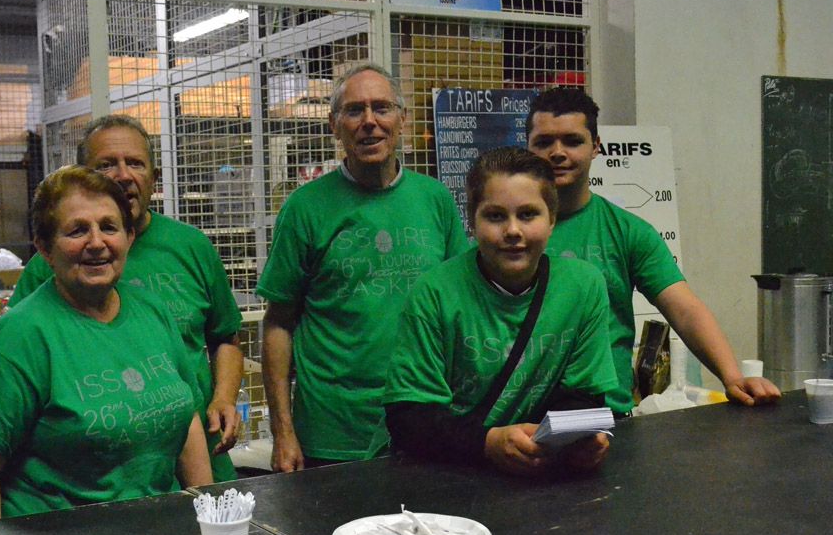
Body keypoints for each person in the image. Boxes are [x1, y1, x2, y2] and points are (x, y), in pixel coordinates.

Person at [0, 166, 212, 522]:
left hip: (154, 531)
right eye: (77, 230)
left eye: (109, 227)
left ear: (129, 238)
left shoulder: (153, 311)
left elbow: (187, 416)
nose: (97, 243)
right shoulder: (17, 339)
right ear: (45, 248)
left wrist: (208, 516)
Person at [9, 115, 245, 482]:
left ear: (154, 175)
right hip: (104, 472)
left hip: (197, 450)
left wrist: (223, 398)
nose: (123, 175)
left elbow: (225, 336)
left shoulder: (191, 247)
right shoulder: (53, 264)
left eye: (135, 163)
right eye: (106, 165)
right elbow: (19, 364)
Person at [258, 63, 470, 471]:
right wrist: (282, 432)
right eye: (354, 111)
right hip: (333, 432)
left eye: (382, 108)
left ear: (402, 119)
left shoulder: (435, 200)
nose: (369, 121)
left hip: (425, 415)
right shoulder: (305, 209)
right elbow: (279, 322)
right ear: (334, 126)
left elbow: (461, 305)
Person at [525, 87, 781, 414]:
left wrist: (732, 377)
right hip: (518, 415)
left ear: (596, 147)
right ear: (528, 147)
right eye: (544, 142)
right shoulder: (506, 234)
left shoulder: (628, 231)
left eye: (573, 141)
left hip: (605, 415)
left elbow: (685, 309)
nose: (557, 153)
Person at [383, 147, 616, 474]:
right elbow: (410, 418)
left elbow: (583, 394)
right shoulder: (434, 293)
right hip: (446, 474)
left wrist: (579, 440)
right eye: (495, 216)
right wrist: (488, 443)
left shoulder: (584, 286)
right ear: (472, 221)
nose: (513, 231)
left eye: (528, 214)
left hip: (536, 473)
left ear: (552, 219)